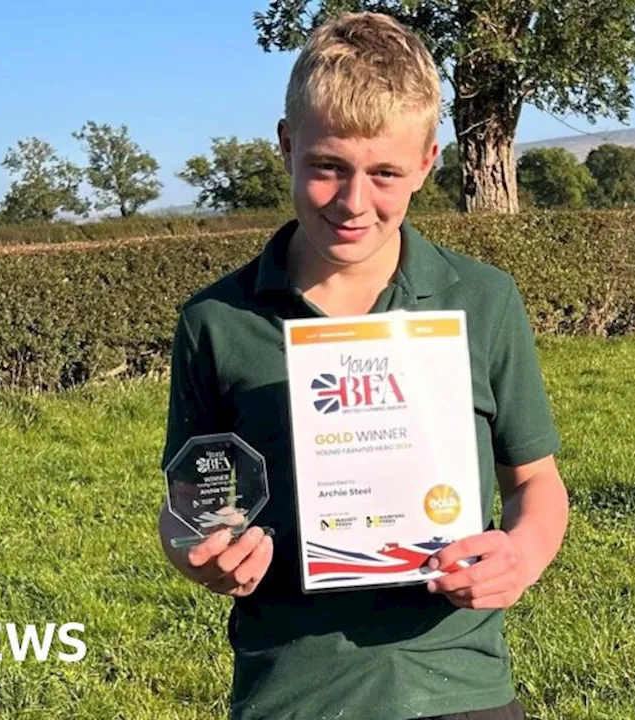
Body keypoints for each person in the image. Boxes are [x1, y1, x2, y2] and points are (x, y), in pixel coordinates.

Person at [158, 11, 569, 720]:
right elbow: (189, 508)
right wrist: (202, 552)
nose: (354, 203)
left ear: (428, 164)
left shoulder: (484, 301)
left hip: (458, 684)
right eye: (327, 167)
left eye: (385, 173)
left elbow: (536, 485)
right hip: (292, 690)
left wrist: (521, 557)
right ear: (286, 145)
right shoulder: (216, 323)